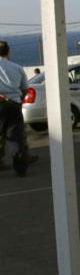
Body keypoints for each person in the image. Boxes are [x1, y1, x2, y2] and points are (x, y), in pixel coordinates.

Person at [0, 41, 32, 175]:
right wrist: (17, 99)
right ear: (8, 52)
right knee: (15, 136)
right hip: (14, 104)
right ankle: (20, 168)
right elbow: (25, 89)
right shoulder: (17, 67)